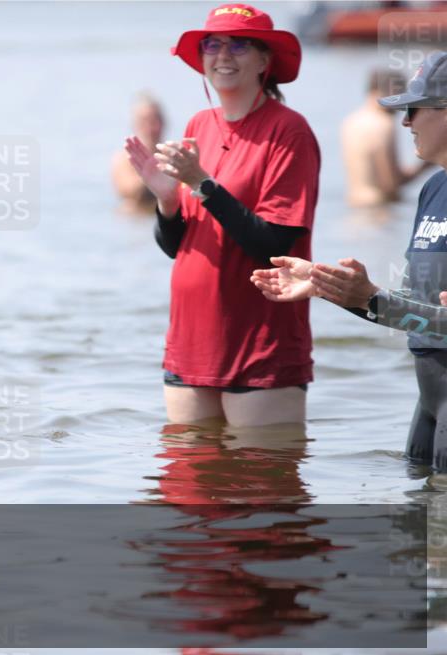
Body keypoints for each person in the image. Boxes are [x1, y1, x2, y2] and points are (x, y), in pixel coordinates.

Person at [124, 3, 320, 427]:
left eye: (239, 45)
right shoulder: (200, 124)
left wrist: (202, 184)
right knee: (188, 483)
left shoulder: (289, 131)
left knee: (261, 486)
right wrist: (166, 199)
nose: (223, 55)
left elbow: (272, 245)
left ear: (265, 60)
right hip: (190, 341)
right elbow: (178, 247)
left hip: (260, 343)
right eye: (213, 44)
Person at [252, 51, 447, 468]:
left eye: (413, 109)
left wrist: (370, 296)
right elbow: (416, 314)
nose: (405, 122)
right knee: (416, 526)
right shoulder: (433, 190)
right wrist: (337, 291)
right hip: (430, 400)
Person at [342, 68, 431, 207]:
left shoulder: (351, 121)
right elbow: (391, 185)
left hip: (354, 208)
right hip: (380, 210)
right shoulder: (384, 125)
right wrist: (426, 165)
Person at [111, 93, 166, 214]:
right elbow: (129, 191)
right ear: (135, 124)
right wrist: (154, 173)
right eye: (144, 121)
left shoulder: (174, 156)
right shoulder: (124, 159)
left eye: (155, 120)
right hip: (136, 220)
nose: (150, 127)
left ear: (163, 123)